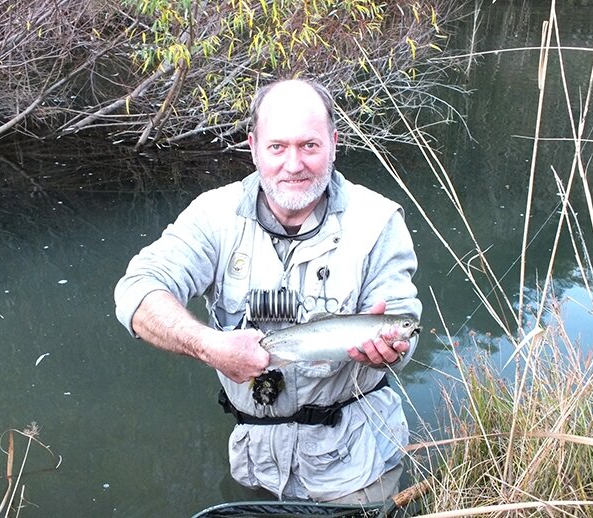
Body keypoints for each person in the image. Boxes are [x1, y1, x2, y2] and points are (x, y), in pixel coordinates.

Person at [114, 78, 422, 504]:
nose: (293, 164)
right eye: (277, 147)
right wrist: (208, 345)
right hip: (253, 465)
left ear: (333, 143)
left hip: (357, 468)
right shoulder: (212, 216)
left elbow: (405, 321)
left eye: (309, 146)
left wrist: (395, 348)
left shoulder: (379, 221)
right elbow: (138, 291)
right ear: (253, 147)